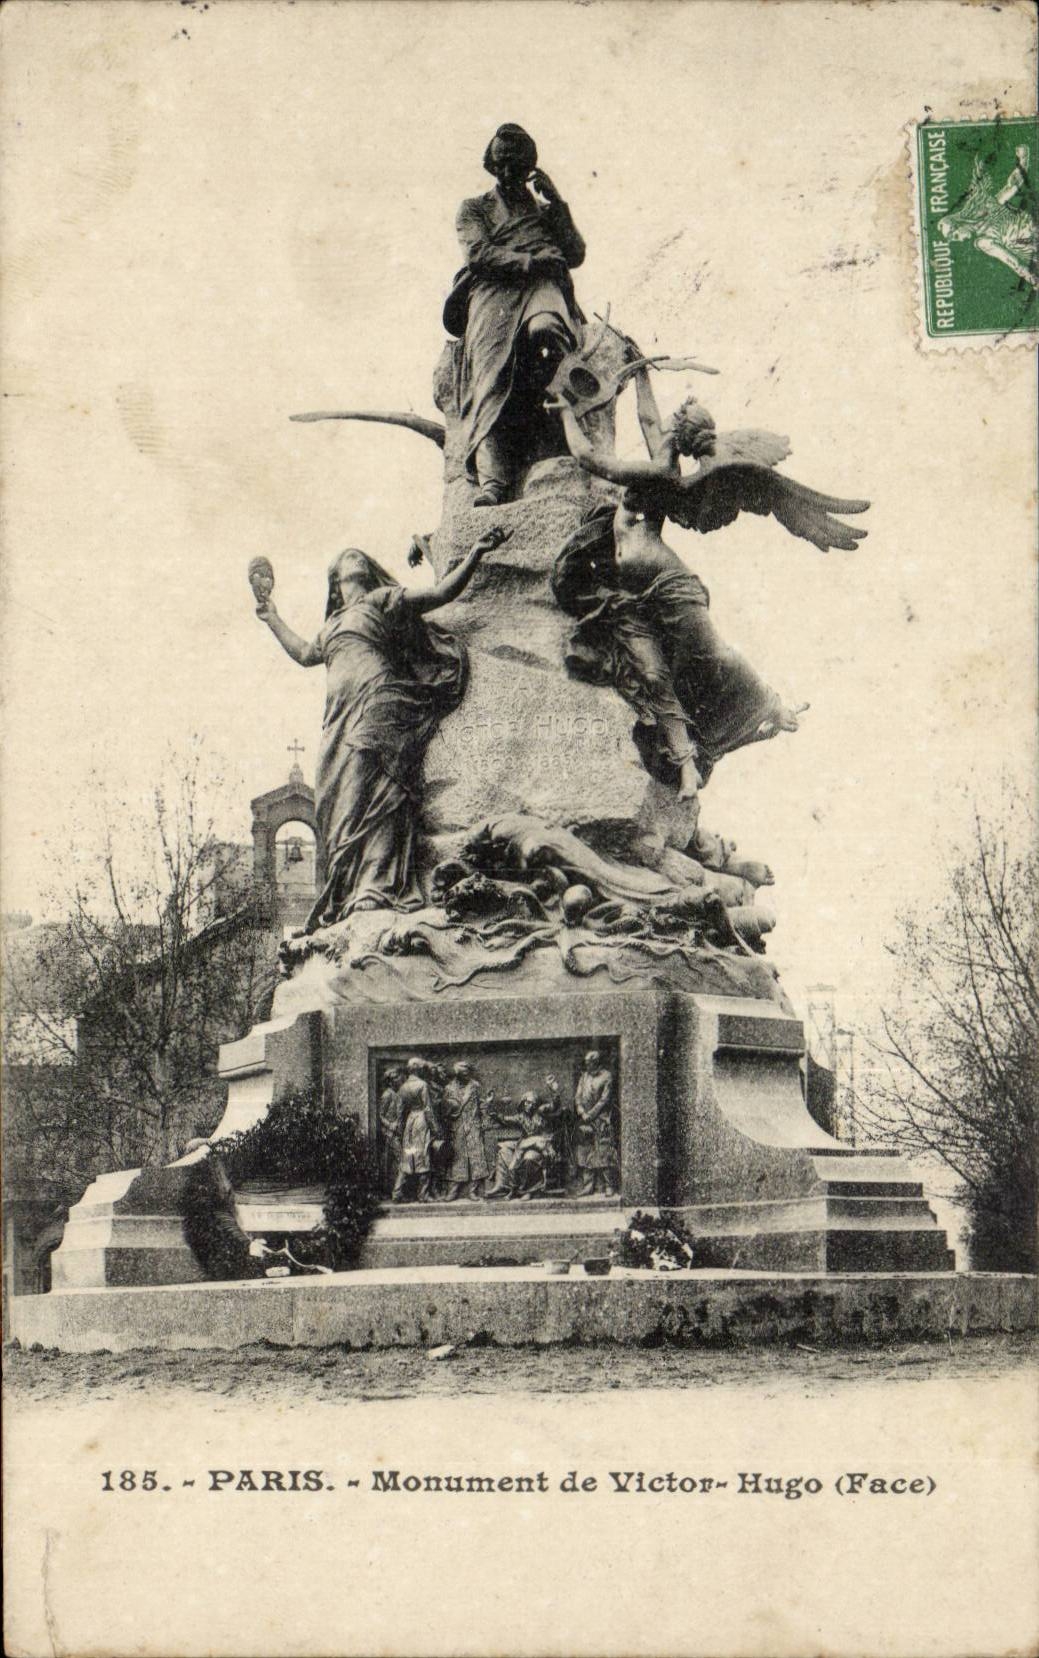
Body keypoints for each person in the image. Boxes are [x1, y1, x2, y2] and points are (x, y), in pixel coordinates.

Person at [256, 527, 509, 927]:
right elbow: (305, 653)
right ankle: (354, 889)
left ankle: (376, 887)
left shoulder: (380, 600)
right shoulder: (334, 624)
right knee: (336, 798)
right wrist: (272, 618)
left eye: (360, 556)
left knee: (373, 785)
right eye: (346, 559)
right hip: (339, 716)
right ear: (336, 585)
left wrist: (476, 553)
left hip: (381, 700)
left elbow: (439, 594)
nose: (355, 556)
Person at [444, 123, 586, 506]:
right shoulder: (474, 208)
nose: (509, 171)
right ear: (491, 164)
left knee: (546, 331)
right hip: (494, 290)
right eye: (502, 163)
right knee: (489, 375)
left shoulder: (544, 211)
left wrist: (558, 204)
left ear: (530, 166)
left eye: (517, 163)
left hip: (543, 285)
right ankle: (494, 479)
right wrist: (530, 259)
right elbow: (479, 255)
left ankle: (559, 429)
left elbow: (575, 254)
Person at [485, 1079, 566, 1200]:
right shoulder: (521, 1117)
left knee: (529, 1157)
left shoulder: (541, 1112)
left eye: (533, 1103)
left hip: (540, 1146)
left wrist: (554, 1090)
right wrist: (490, 1104)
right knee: (504, 1148)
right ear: (523, 1103)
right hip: (524, 1144)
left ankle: (528, 1190)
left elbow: (554, 1105)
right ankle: (501, 1184)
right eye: (527, 1103)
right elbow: (502, 1119)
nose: (530, 1105)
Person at [390, 1059, 442, 1205]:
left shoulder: (403, 1087)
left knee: (408, 1156)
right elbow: (428, 1109)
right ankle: (423, 1195)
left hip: (409, 1122)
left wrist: (401, 1130)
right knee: (423, 1156)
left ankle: (397, 1192)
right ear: (418, 1069)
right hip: (421, 1121)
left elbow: (399, 1112)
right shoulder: (422, 1085)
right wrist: (436, 1129)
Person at [440, 1062, 491, 1201]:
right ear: (457, 1074)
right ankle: (453, 1191)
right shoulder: (449, 1088)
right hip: (457, 1128)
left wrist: (485, 1120)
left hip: (474, 1126)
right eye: (463, 1073)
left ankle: (473, 1191)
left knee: (476, 1158)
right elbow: (445, 1110)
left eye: (468, 1072)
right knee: (457, 1159)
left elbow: (483, 1104)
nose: (466, 1075)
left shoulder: (475, 1086)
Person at [572, 1051, 618, 1196]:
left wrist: (591, 1114)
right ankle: (588, 1186)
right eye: (586, 1062)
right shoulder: (584, 1076)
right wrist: (581, 1111)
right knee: (586, 1150)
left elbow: (604, 1100)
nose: (586, 1065)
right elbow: (577, 1097)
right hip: (585, 1119)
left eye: (589, 1062)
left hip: (601, 1119)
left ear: (596, 1062)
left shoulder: (606, 1076)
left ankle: (608, 1185)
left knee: (604, 1151)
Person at [377, 1065, 405, 1193]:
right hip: (390, 1133)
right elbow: (381, 1115)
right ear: (390, 1080)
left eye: (398, 1076)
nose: (398, 1079)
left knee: (395, 1162)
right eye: (395, 1077)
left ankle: (395, 1189)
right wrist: (390, 1125)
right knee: (398, 1161)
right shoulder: (387, 1094)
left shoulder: (397, 1093)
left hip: (397, 1132)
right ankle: (394, 1191)